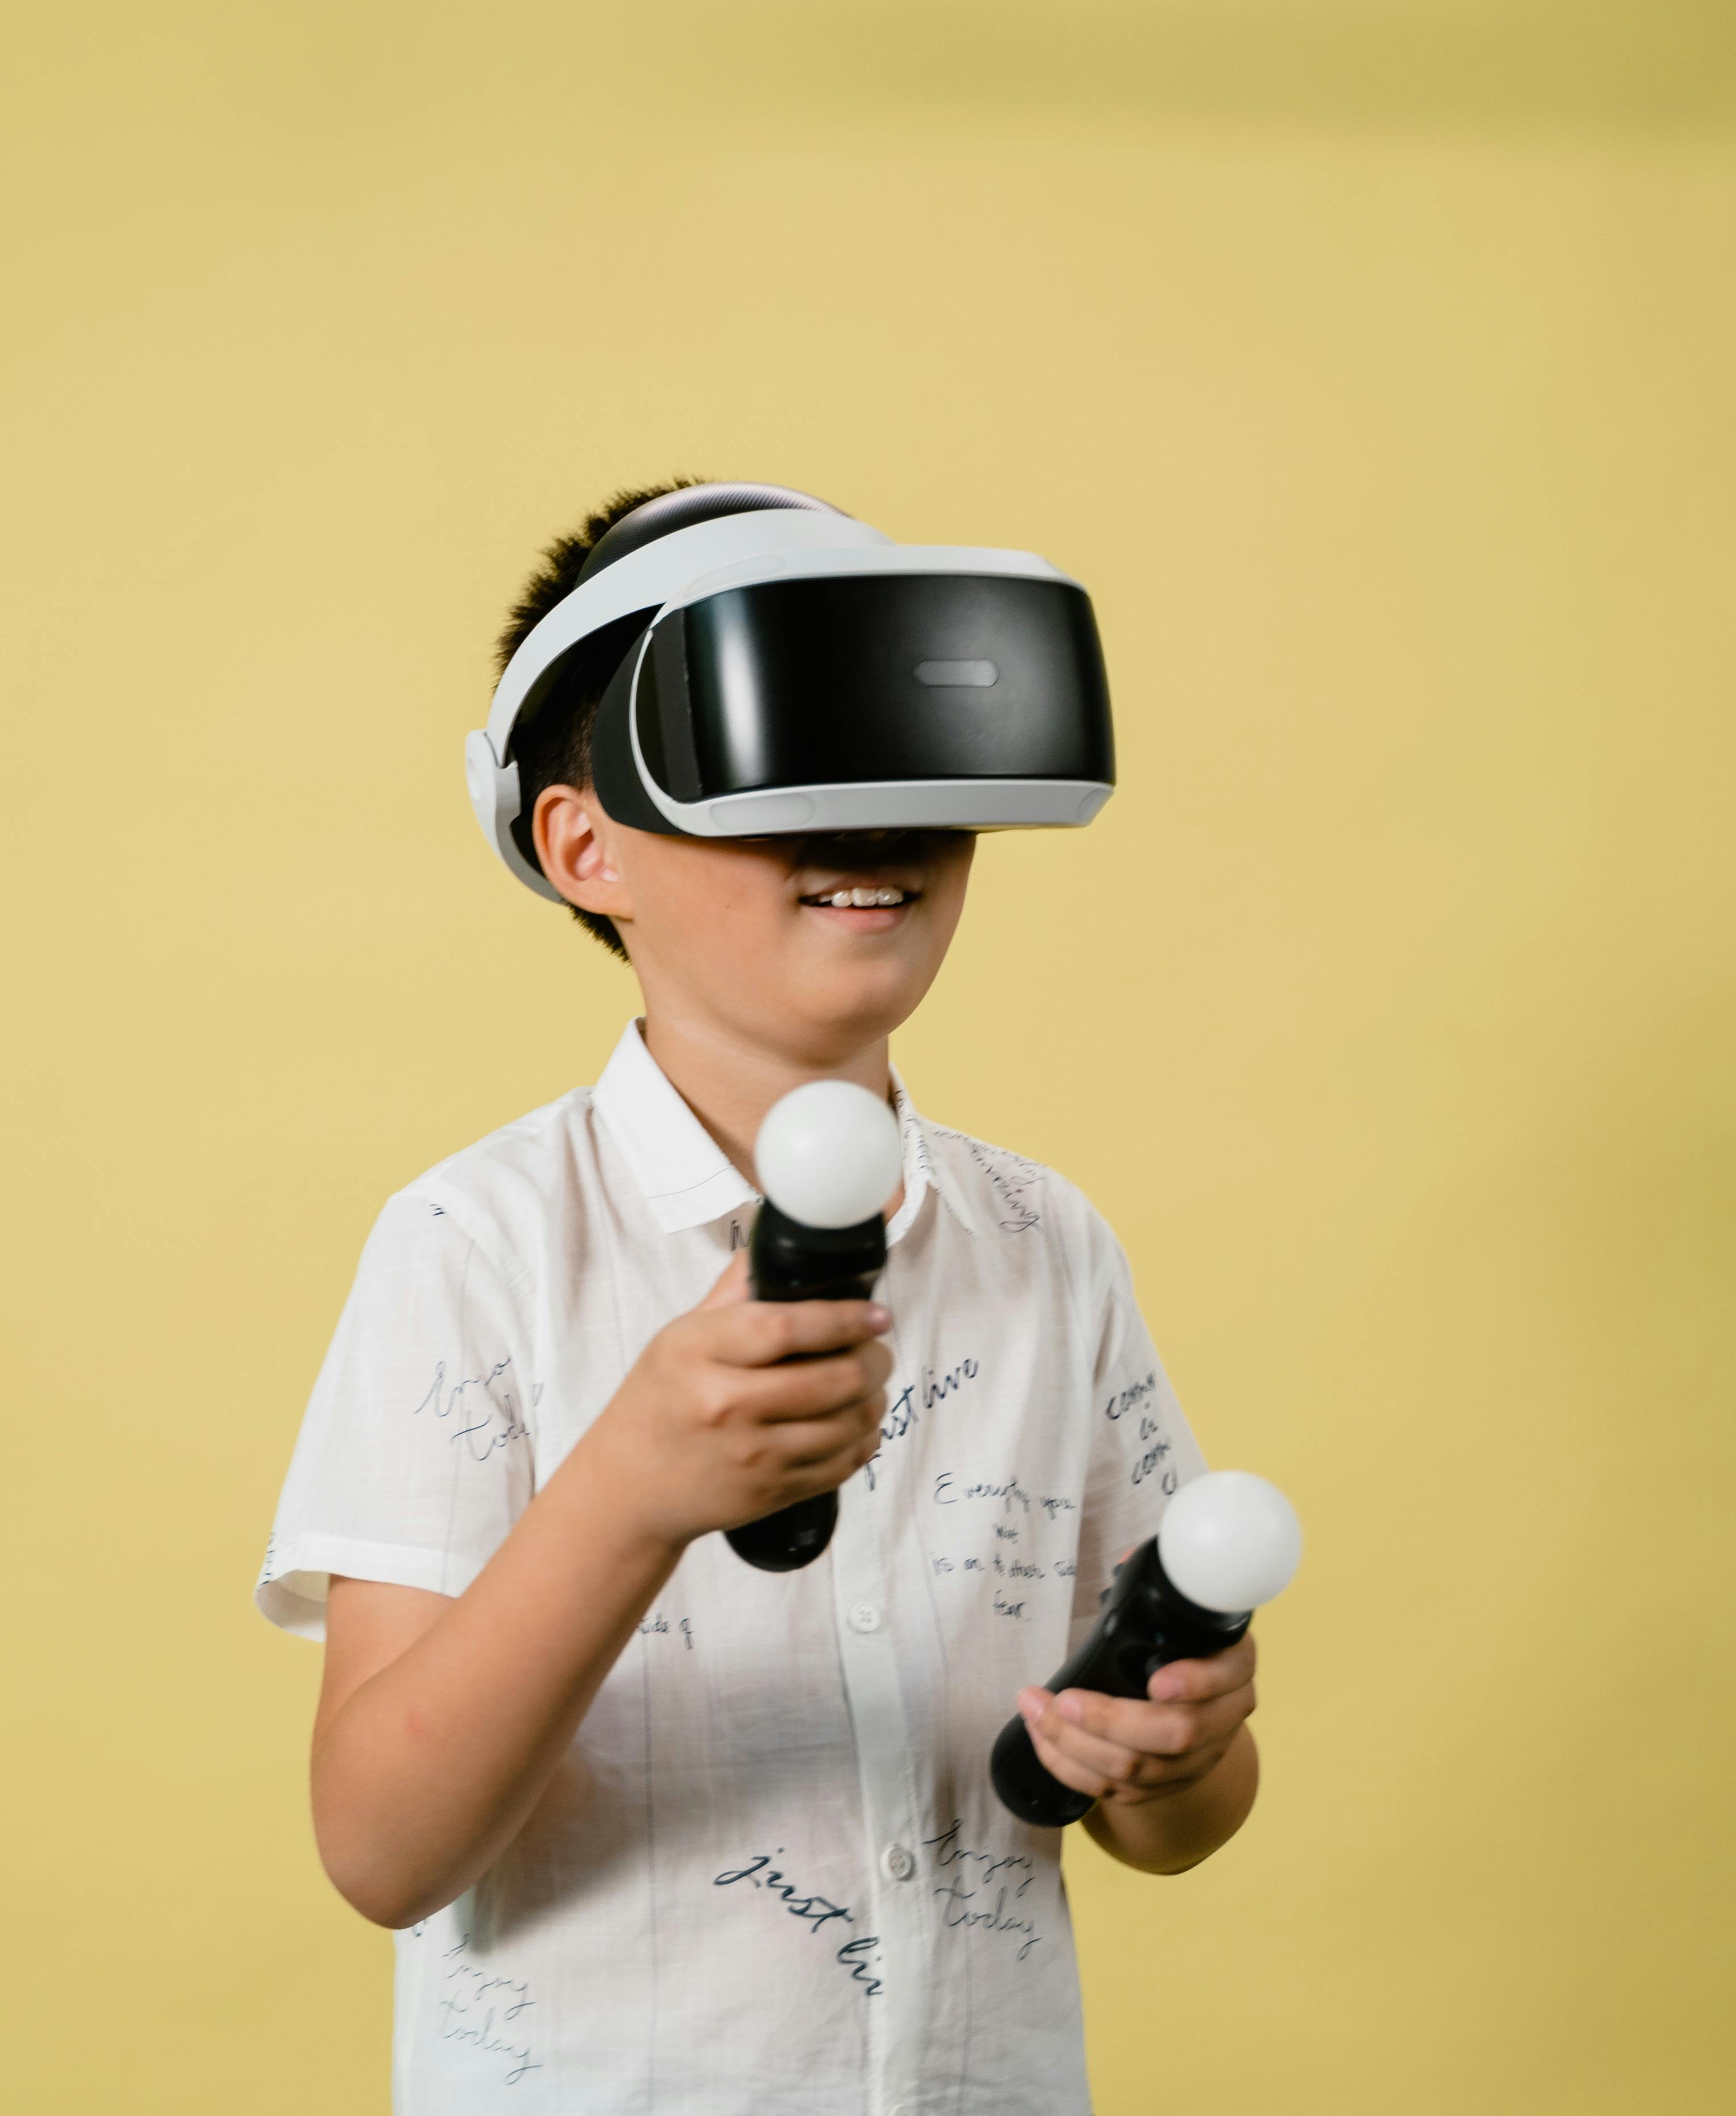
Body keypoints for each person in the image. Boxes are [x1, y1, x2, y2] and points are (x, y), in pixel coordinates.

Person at [256, 480, 1260, 2111]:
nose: (869, 821)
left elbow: (1168, 1818)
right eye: (789, 761)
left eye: (902, 763)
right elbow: (380, 1844)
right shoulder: (474, 1244)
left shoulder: (1044, 1244)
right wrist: (630, 1491)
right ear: (584, 847)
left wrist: (1180, 1745)